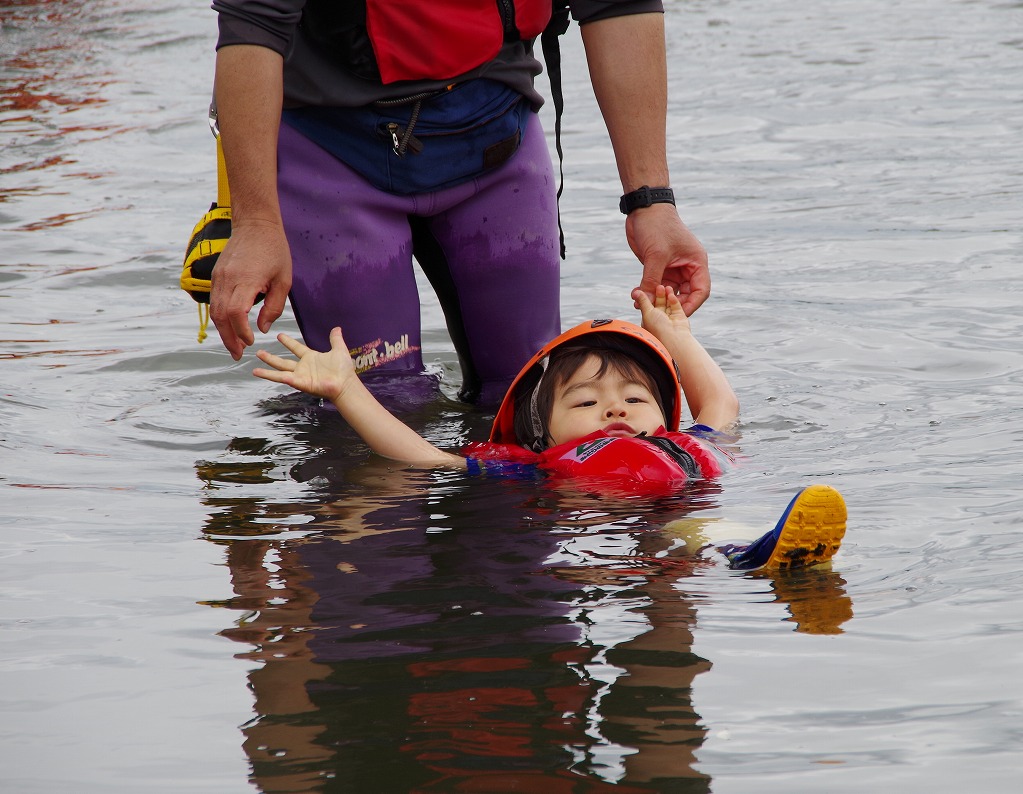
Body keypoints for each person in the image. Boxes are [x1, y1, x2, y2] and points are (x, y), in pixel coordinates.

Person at [208, 0, 710, 405]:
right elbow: (252, 25)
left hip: (497, 138)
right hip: (328, 155)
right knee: (372, 402)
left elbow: (620, 5)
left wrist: (652, 202)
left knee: (535, 393)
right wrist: (256, 224)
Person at [253, 285, 848, 570]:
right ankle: (757, 557)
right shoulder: (534, 466)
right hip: (590, 529)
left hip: (682, 508)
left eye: (635, 397)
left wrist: (677, 337)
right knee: (680, 538)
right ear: (542, 430)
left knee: (694, 526)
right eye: (586, 402)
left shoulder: (685, 444)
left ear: (665, 414)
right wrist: (346, 389)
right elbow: (424, 458)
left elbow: (719, 402)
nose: (614, 410)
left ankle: (761, 551)